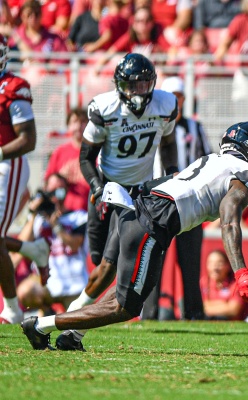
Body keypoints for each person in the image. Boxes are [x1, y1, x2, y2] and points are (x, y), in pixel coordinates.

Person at [22, 121, 248, 351]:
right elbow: (228, 215)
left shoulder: (211, 160)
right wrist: (241, 270)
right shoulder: (246, 174)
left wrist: (137, 191)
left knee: (132, 288)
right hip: (156, 219)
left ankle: (73, 335)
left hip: (143, 209)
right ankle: (40, 325)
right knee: (126, 307)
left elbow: (174, 178)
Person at [65, 53, 179, 319]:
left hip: (137, 193)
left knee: (110, 263)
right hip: (107, 187)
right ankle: (88, 312)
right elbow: (85, 158)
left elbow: (169, 142)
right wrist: (96, 188)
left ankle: (78, 314)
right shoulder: (105, 108)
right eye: (133, 85)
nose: (139, 91)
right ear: (119, 84)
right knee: (97, 258)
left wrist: (172, 173)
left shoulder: (164, 104)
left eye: (144, 84)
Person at [142, 76, 212, 321]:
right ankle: (147, 313)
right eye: (172, 97)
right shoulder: (153, 125)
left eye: (179, 97)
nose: (176, 102)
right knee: (154, 259)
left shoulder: (195, 127)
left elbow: (208, 160)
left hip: (190, 199)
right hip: (159, 199)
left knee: (190, 260)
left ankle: (194, 313)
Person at [0, 32, 48, 324]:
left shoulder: (12, 87)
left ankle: (13, 309)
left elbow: (28, 139)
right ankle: (32, 248)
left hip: (8, 165)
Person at [15, 173, 89, 315]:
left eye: (60, 189)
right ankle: (47, 311)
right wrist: (32, 213)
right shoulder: (38, 220)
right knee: (25, 292)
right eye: (52, 189)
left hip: (75, 284)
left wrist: (56, 225)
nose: (56, 194)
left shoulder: (78, 217)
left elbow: (74, 244)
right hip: (46, 283)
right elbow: (22, 244)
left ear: (66, 191)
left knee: (78, 323)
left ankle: (56, 316)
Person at [44, 108, 90, 212]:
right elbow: (48, 183)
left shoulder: (96, 152)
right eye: (74, 122)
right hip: (62, 213)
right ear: (68, 126)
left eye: (82, 122)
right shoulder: (59, 152)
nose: (78, 126)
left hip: (88, 213)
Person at [201, 249, 244, 320]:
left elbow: (233, 310)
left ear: (228, 266)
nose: (215, 268)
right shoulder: (203, 283)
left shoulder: (235, 284)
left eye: (219, 263)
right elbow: (198, 307)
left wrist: (209, 305)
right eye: (211, 263)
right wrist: (224, 303)